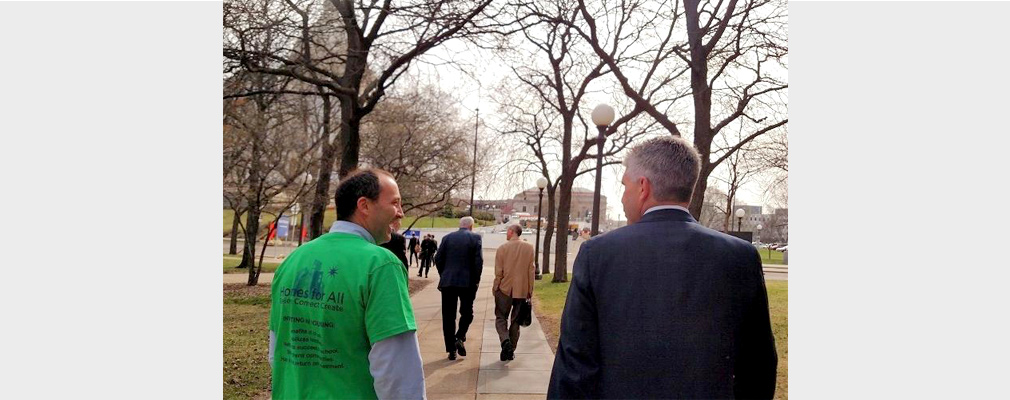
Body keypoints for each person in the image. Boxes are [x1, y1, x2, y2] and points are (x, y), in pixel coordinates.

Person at [547, 137, 777, 399]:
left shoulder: (597, 254)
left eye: (625, 186)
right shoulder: (741, 256)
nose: (623, 198)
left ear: (643, 187)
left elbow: (575, 365)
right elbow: (759, 364)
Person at [269, 168, 425, 400]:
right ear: (364, 205)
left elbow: (276, 351)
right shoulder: (381, 265)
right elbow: (398, 376)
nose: (401, 213)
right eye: (395, 203)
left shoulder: (293, 260)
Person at [433, 216, 483, 360]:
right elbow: (478, 262)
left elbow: (438, 258)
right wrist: (476, 281)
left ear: (460, 225)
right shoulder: (475, 238)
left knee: (448, 316)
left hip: (448, 282)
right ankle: (460, 336)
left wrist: (444, 274)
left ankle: (451, 349)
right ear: (471, 226)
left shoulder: (447, 238)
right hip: (467, 283)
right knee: (467, 313)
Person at [492, 224, 535, 361]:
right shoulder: (529, 248)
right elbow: (531, 270)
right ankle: (511, 349)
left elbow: (499, 272)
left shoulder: (502, 248)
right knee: (515, 321)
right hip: (521, 290)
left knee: (500, 317)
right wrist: (530, 289)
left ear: (511, 232)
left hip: (505, 288)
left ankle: (505, 342)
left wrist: (496, 287)